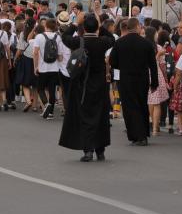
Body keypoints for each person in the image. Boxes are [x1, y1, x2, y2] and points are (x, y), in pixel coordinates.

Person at [59, 14, 115, 162]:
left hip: (82, 85)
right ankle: (100, 151)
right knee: (100, 117)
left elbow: (65, 37)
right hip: (100, 85)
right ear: (97, 28)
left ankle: (88, 150)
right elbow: (112, 38)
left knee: (85, 117)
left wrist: (75, 24)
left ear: (83, 27)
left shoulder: (78, 41)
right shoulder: (102, 42)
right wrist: (100, 26)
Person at [108, 17, 159, 145]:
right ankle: (143, 134)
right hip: (142, 78)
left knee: (129, 107)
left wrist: (121, 65)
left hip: (125, 79)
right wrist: (154, 83)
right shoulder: (146, 43)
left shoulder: (120, 43)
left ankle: (135, 135)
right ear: (137, 27)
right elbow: (153, 65)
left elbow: (112, 61)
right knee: (142, 105)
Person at [33, 18, 64, 120]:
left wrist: (35, 66)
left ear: (45, 26)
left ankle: (46, 105)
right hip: (54, 68)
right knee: (52, 90)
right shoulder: (58, 37)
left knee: (40, 88)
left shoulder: (39, 36)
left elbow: (35, 53)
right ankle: (50, 113)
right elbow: (60, 57)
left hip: (42, 68)